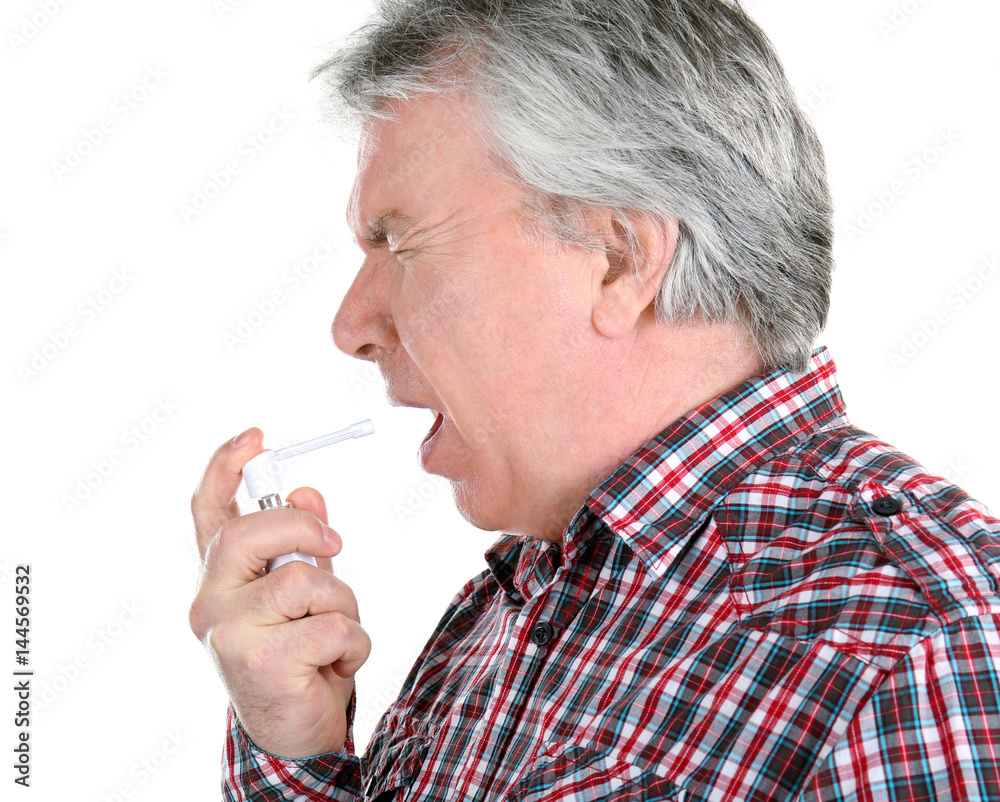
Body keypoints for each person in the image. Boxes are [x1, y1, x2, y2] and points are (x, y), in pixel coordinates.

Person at [188, 1, 1000, 799]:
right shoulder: (508, 611)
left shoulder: (924, 649)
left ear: (619, 259)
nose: (351, 327)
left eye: (400, 243)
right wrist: (295, 750)